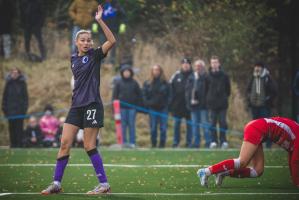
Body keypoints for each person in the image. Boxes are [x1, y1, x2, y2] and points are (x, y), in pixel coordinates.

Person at [41, 5, 116, 195]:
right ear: (76, 42)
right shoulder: (73, 59)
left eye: (89, 40)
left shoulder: (95, 56)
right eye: (83, 40)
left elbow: (112, 40)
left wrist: (99, 20)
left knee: (89, 145)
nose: (86, 43)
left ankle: (104, 185)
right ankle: (56, 184)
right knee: (64, 143)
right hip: (76, 107)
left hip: (92, 105)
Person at [197, 117, 299, 188]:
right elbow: (295, 161)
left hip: (261, 131)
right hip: (257, 128)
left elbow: (292, 158)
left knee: (258, 171)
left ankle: (223, 172)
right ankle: (205, 171)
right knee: (242, 162)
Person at [246, 62, 277, 148]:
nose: (257, 69)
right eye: (256, 67)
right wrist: (249, 100)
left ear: (262, 68)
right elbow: (248, 90)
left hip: (264, 106)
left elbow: (274, 91)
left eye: (259, 67)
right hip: (254, 106)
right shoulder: (252, 77)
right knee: (255, 126)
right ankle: (256, 144)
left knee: (267, 125)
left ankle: (268, 144)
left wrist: (268, 100)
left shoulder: (267, 77)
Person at [112, 64, 142, 148]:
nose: (126, 73)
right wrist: (114, 108)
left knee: (131, 125)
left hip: (132, 108)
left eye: (128, 72)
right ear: (122, 73)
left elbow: (139, 94)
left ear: (130, 73)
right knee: (123, 125)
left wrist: (137, 105)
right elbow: (114, 96)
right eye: (125, 72)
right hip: (121, 108)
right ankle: (124, 142)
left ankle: (132, 142)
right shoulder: (118, 83)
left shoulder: (134, 83)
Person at [142, 65, 171, 148]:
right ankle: (153, 144)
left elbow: (170, 95)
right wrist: (147, 103)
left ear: (160, 71)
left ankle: (162, 144)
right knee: (153, 128)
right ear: (152, 71)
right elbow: (144, 95)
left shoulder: (166, 83)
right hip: (152, 109)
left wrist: (167, 104)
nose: (156, 72)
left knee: (163, 128)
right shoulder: (147, 83)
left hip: (163, 109)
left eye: (158, 70)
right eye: (154, 70)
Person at [206, 56, 231, 149]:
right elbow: (205, 90)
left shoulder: (224, 76)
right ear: (210, 64)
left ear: (219, 64)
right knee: (212, 123)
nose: (214, 64)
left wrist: (223, 98)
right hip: (212, 105)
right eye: (212, 62)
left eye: (216, 62)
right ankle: (213, 141)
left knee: (222, 123)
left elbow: (228, 90)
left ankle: (223, 141)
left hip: (222, 104)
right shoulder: (207, 76)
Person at [185, 59, 210, 148]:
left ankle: (208, 142)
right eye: (196, 66)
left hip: (203, 106)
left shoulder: (206, 77)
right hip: (193, 106)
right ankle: (196, 143)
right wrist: (189, 102)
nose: (198, 68)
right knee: (195, 126)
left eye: (200, 66)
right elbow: (187, 91)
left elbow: (208, 91)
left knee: (205, 125)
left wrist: (205, 102)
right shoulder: (191, 77)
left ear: (203, 67)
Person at [2, 68, 28, 148]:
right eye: (13, 73)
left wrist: (24, 110)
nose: (14, 74)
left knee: (19, 128)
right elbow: (4, 98)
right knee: (11, 128)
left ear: (19, 74)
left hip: (20, 111)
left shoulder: (22, 83)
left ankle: (19, 144)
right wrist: (4, 109)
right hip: (10, 111)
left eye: (16, 73)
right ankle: (13, 144)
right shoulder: (8, 83)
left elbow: (25, 98)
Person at [169, 58, 193, 148]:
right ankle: (176, 142)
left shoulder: (194, 75)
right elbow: (170, 90)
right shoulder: (176, 75)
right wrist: (171, 104)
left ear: (190, 65)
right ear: (181, 65)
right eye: (184, 63)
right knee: (176, 125)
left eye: (187, 64)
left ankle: (189, 142)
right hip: (177, 106)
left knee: (190, 125)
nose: (185, 65)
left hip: (190, 106)